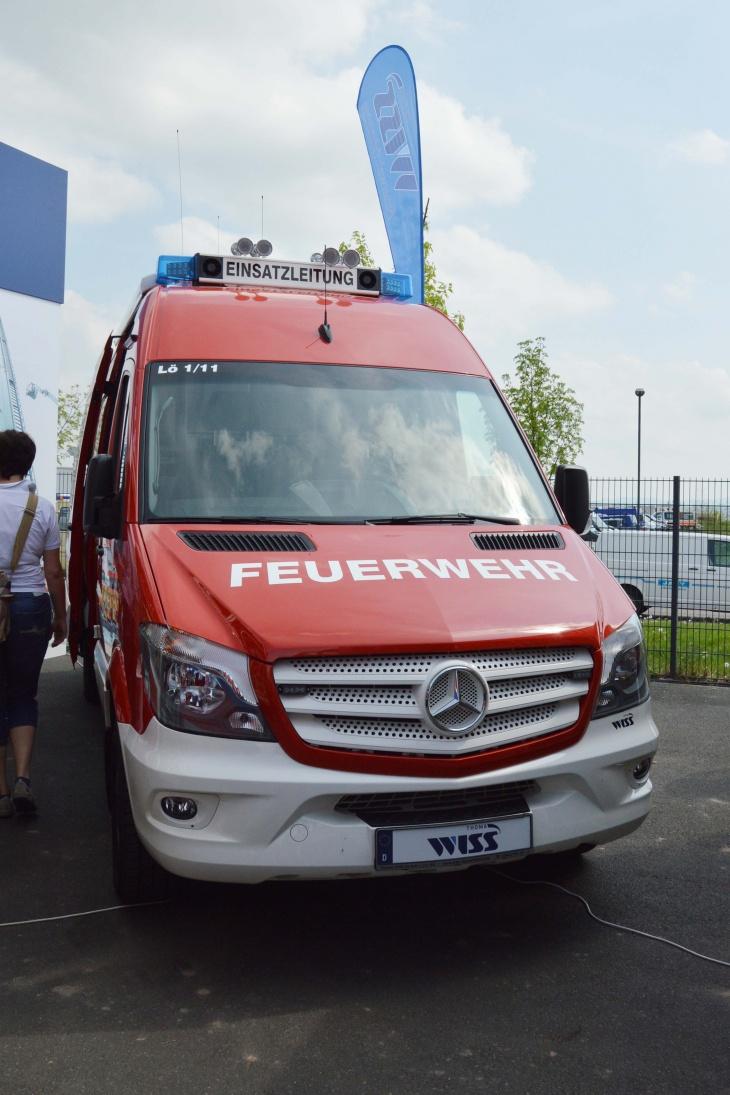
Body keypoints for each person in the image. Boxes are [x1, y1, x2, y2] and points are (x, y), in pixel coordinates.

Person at [0, 431, 67, 816]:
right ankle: (23, 778)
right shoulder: (41, 508)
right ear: (27, 464)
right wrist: (62, 616)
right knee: (23, 693)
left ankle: (0, 792)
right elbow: (53, 571)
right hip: (30, 605)